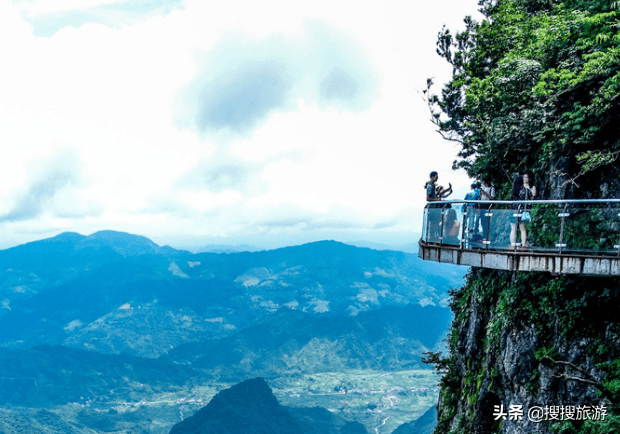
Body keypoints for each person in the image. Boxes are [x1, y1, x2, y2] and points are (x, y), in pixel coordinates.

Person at [510, 172, 537, 249]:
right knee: (520, 228)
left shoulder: (516, 189)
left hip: (516, 210)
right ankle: (522, 244)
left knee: (517, 228)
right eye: (524, 177)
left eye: (527, 177)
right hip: (521, 210)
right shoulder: (523, 189)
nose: (525, 179)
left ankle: (515, 244)